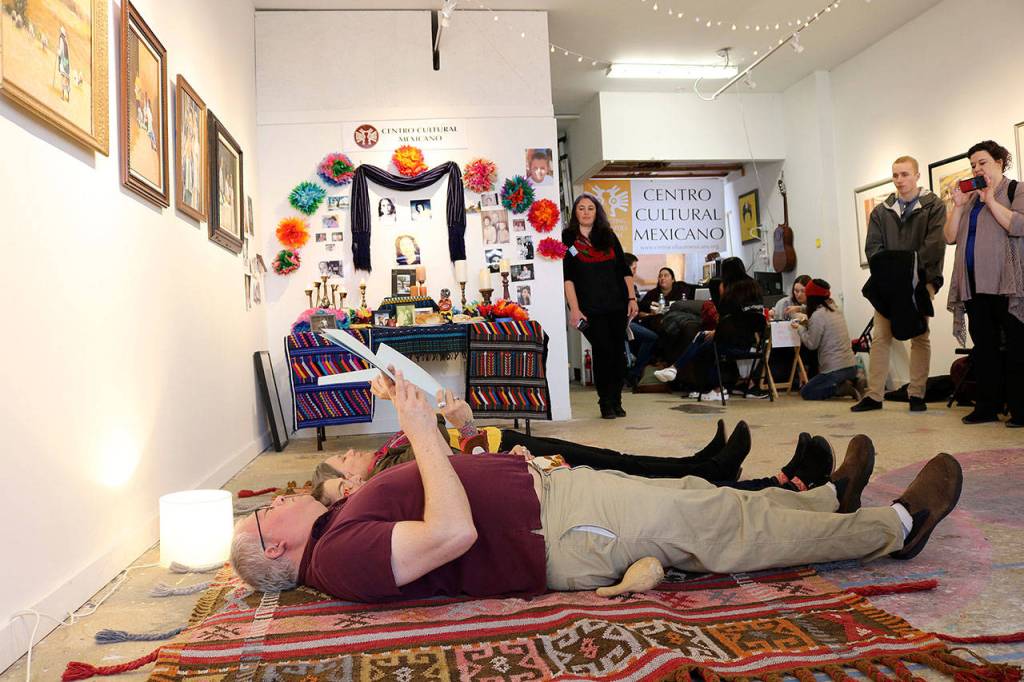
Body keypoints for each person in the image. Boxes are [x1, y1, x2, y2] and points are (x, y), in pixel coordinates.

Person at [230, 371, 964, 599]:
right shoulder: (338, 560)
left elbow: (442, 493)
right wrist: (420, 431)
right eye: (268, 513)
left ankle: (824, 499)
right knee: (721, 529)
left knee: (701, 500)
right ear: (275, 546)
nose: (280, 499)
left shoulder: (334, 533)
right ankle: (893, 530)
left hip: (554, 501)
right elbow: (452, 533)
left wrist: (449, 429)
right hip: (561, 533)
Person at [852, 156, 947, 414]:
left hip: (921, 282)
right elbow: (873, 248)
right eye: (895, 175)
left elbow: (934, 246)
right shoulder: (880, 211)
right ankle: (874, 395)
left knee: (919, 335)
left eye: (905, 174)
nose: (899, 180)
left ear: (917, 175)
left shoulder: (934, 206)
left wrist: (910, 272)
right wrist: (892, 274)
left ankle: (916, 393)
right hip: (888, 284)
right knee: (881, 337)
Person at [943, 140, 1024, 427]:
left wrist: (990, 200)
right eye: (973, 165)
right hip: (974, 285)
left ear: (999, 162)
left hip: (1007, 284)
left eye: (982, 162)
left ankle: (1020, 410)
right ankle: (987, 407)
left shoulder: (1015, 190)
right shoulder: (969, 201)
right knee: (984, 349)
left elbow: (1018, 225)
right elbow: (950, 237)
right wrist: (958, 206)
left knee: (1017, 349)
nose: (977, 169)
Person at [563, 195, 637, 418]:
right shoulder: (568, 238)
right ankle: (605, 402)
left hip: (617, 305)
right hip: (589, 308)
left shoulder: (608, 236)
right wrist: (574, 309)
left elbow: (624, 270)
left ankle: (617, 400)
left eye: (590, 208)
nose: (586, 212)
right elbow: (568, 277)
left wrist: (632, 298)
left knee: (617, 355)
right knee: (602, 352)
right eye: (581, 208)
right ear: (575, 212)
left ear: (597, 212)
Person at [794, 279, 860, 401]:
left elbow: (811, 344)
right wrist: (801, 312)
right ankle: (853, 381)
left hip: (835, 369)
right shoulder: (836, 309)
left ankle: (842, 388)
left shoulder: (818, 315)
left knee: (807, 392)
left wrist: (799, 328)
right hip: (851, 366)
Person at [624, 253, 658, 388]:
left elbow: (638, 305)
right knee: (652, 338)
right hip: (626, 323)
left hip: (630, 321)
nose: (635, 272)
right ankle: (635, 372)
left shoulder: (629, 284)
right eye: (634, 268)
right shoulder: (625, 285)